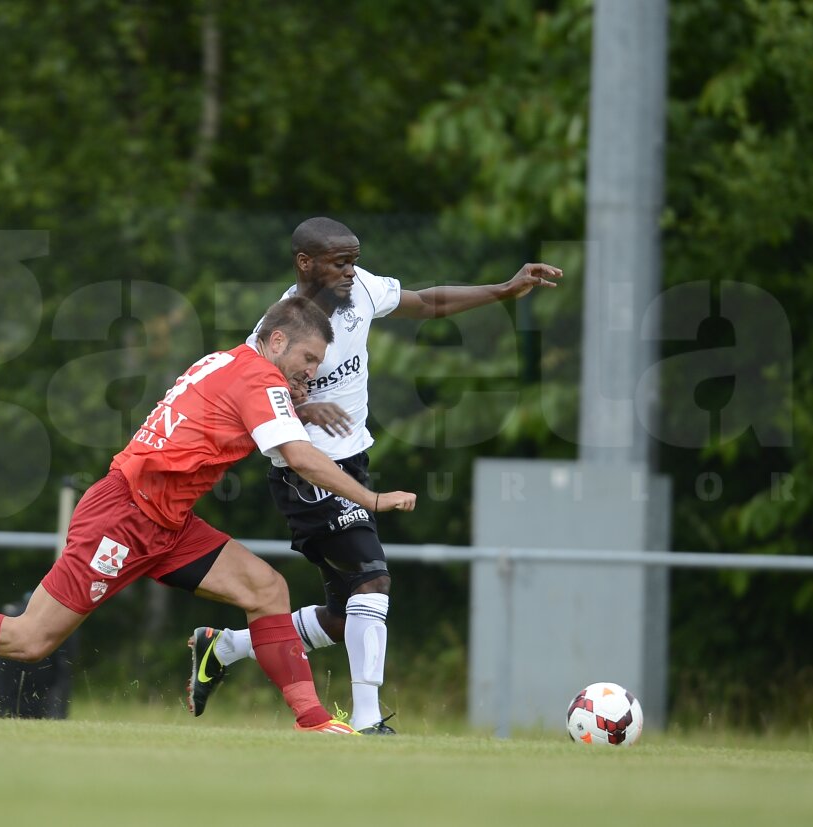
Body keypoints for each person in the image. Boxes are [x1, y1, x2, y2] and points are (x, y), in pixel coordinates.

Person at [0, 296, 417, 734]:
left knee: (266, 589)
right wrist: (370, 498)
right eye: (310, 358)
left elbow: (262, 415)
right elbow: (296, 457)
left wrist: (303, 407)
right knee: (30, 640)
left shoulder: (232, 365)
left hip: (168, 523)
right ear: (279, 340)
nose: (313, 369)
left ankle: (312, 721)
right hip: (123, 517)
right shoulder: (257, 379)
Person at [187, 217, 562, 734]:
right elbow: (248, 394)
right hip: (308, 473)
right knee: (373, 579)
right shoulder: (278, 327)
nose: (351, 270)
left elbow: (427, 302)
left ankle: (224, 646)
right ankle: (367, 722)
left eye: (354, 259)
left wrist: (503, 288)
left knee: (346, 618)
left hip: (354, 461)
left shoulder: (361, 289)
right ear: (305, 263)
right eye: (340, 262)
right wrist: (302, 409)